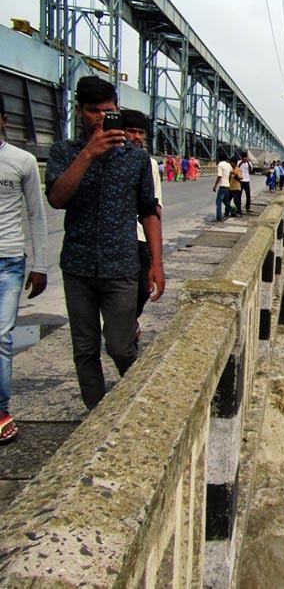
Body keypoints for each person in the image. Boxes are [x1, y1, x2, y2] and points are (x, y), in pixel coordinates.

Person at [46, 76, 164, 410]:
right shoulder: (64, 152)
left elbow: (149, 211)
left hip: (122, 266)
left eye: (107, 111)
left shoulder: (137, 160)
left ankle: (140, 406)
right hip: (78, 266)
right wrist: (88, 154)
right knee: (84, 349)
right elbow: (57, 197)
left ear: (117, 110)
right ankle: (97, 415)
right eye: (93, 111)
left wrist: (156, 264)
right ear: (80, 110)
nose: (100, 118)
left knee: (120, 346)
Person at [0, 94, 48, 443]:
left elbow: (36, 213)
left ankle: (1, 409)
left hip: (9, 260)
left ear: (3, 119)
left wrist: (40, 263)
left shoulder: (22, 161)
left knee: (1, 338)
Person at [121, 109, 163, 341]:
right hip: (120, 237)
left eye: (141, 133)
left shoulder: (149, 164)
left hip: (141, 237)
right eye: (132, 131)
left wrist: (158, 255)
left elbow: (155, 209)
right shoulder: (106, 157)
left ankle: (130, 320)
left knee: (143, 288)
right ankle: (124, 329)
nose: (137, 137)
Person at [212, 153, 234, 221]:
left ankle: (219, 217)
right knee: (225, 201)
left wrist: (215, 185)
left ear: (219, 159)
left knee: (218, 201)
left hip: (222, 186)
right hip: (227, 186)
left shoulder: (220, 165)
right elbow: (231, 173)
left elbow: (219, 176)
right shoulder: (229, 165)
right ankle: (233, 212)